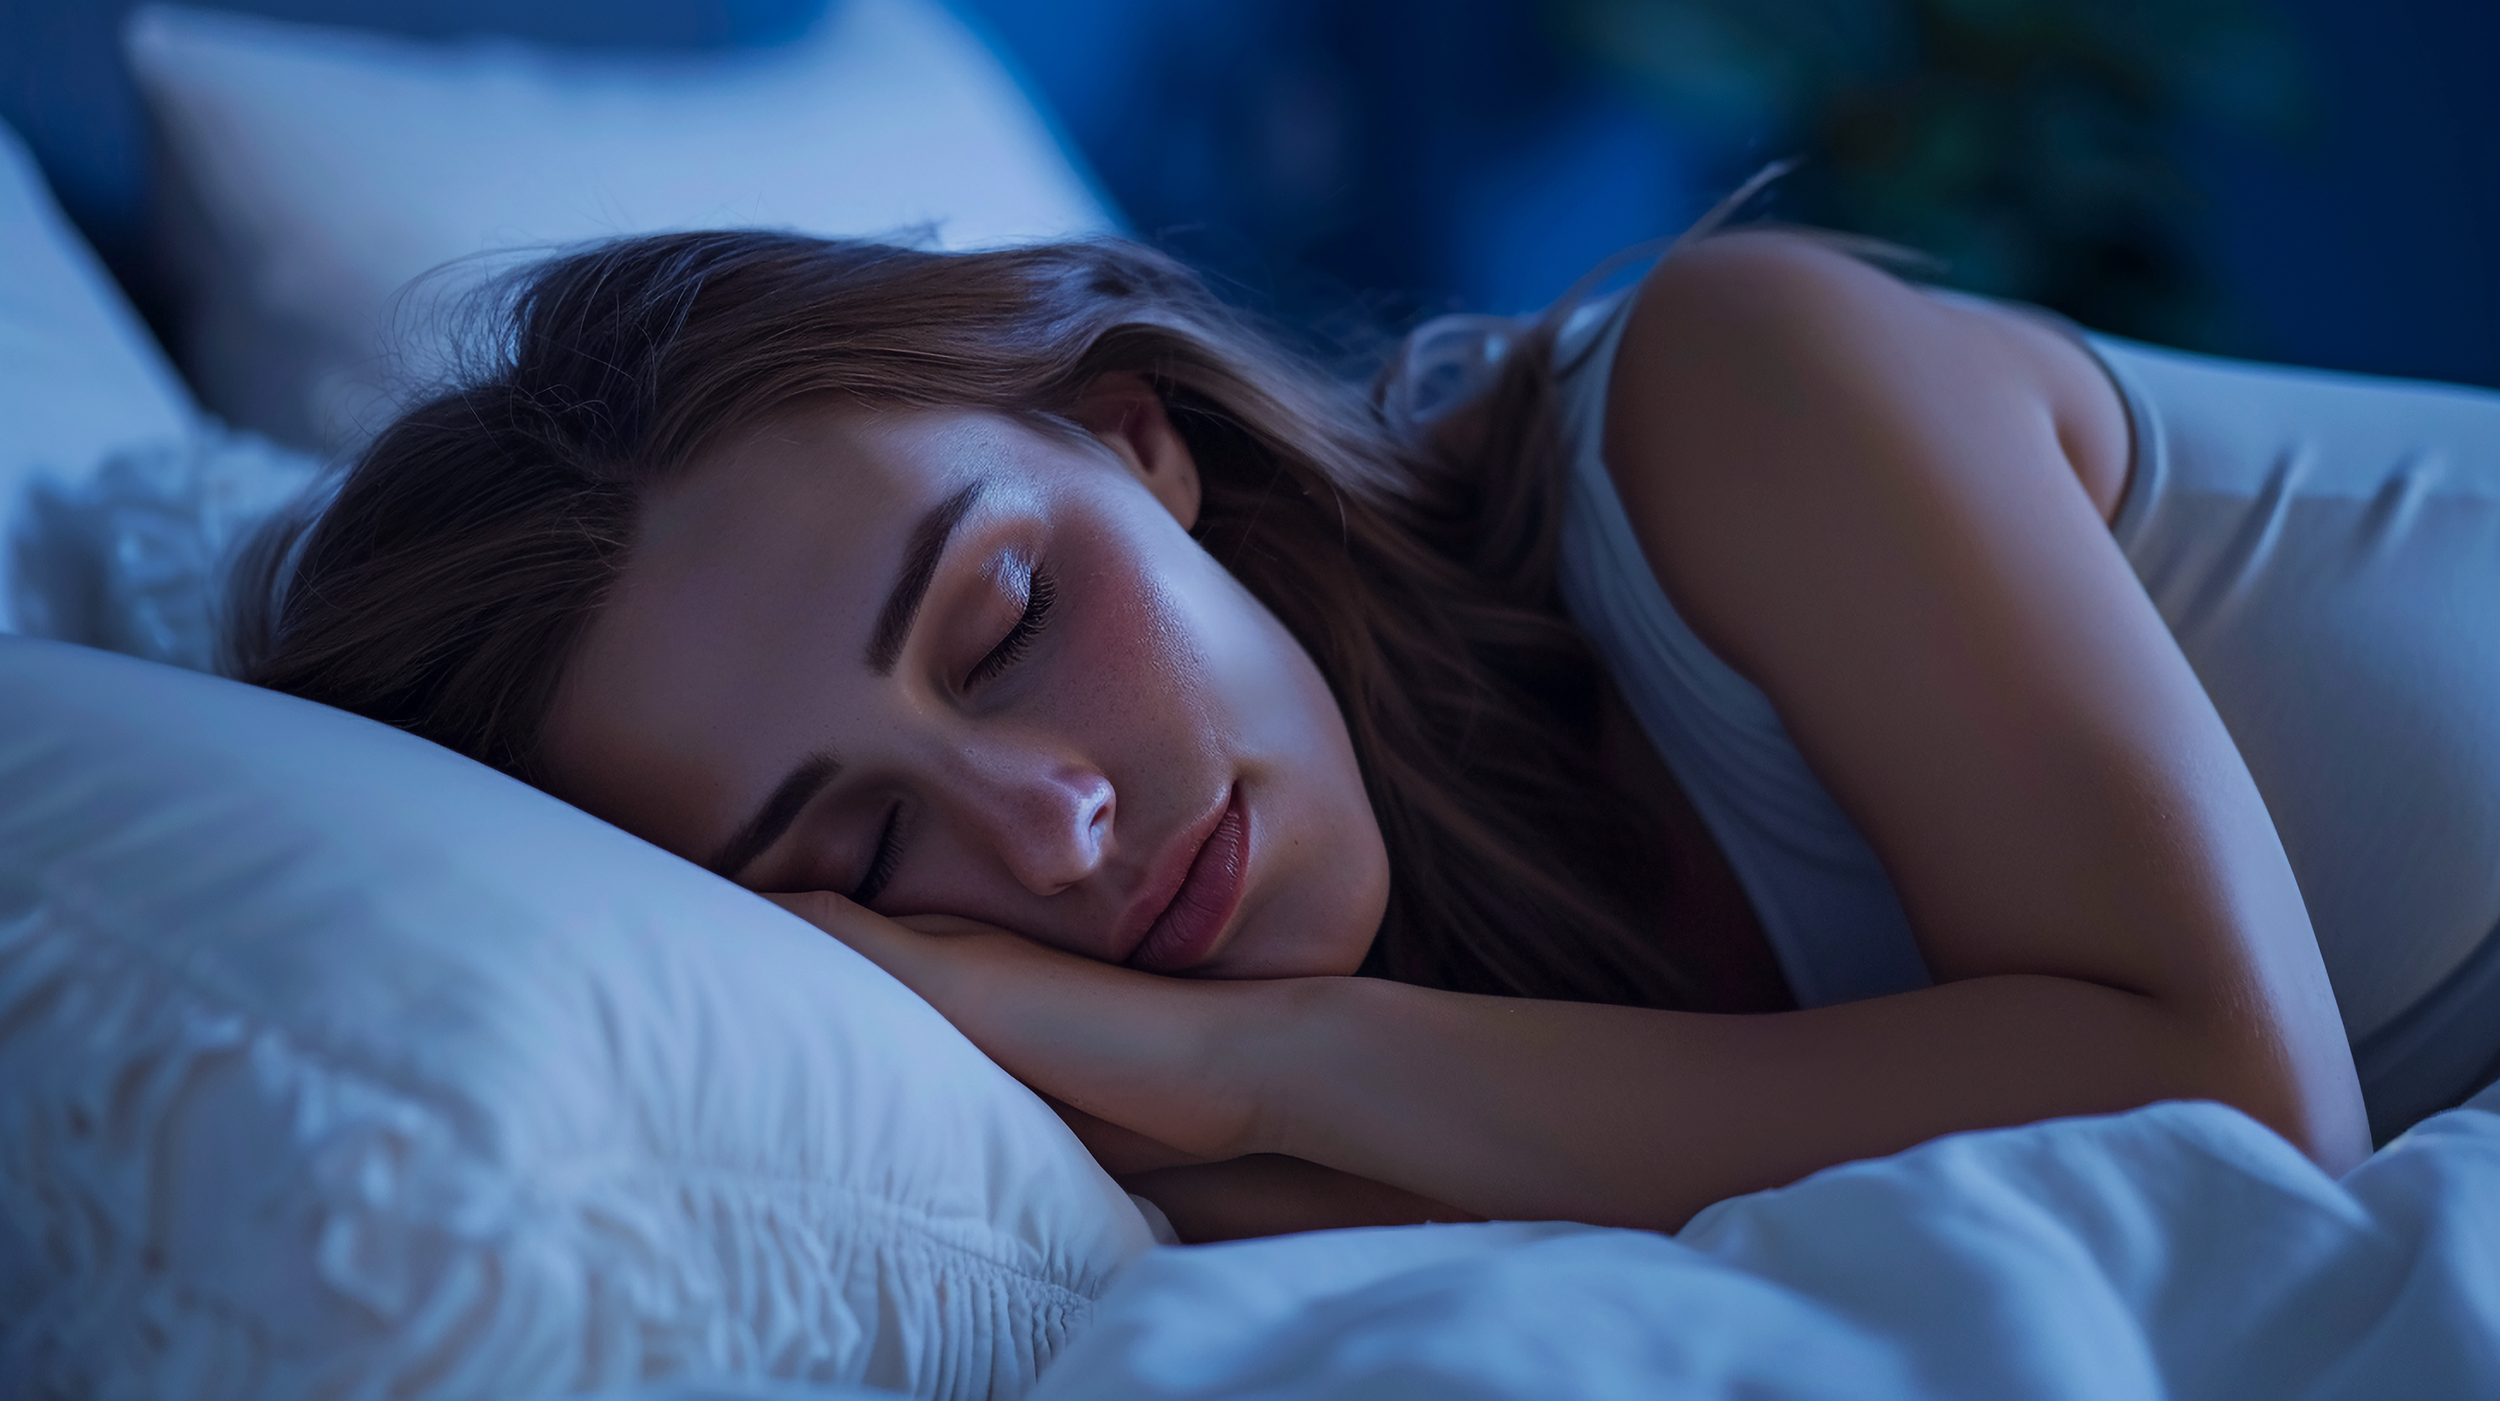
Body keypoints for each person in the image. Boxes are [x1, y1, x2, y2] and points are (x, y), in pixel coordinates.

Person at [234, 206, 2500, 1243]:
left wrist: (1249, 1059)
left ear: (1139, 443)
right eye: (848, 861)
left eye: (1007, 616)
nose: (1043, 829)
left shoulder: (1726, 394)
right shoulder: (1227, 1163)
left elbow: (2230, 1107)